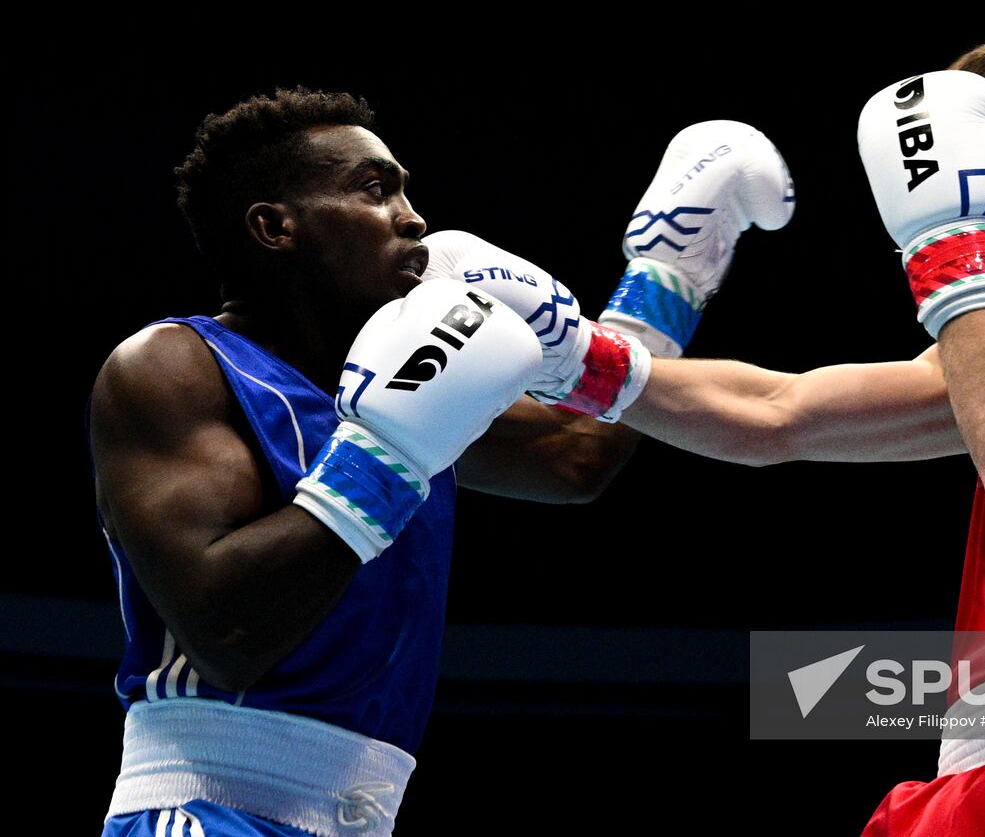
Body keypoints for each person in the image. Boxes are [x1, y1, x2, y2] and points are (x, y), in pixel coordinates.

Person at [480, 24, 985, 833]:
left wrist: (954, 241)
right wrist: (568, 354)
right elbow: (782, 415)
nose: (982, 183)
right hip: (968, 782)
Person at [88, 89, 792, 836]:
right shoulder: (176, 365)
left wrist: (670, 265)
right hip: (206, 808)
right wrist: (388, 451)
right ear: (275, 226)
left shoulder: (404, 377)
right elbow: (227, 635)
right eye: (374, 188)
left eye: (404, 187)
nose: (413, 216)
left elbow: (578, 453)